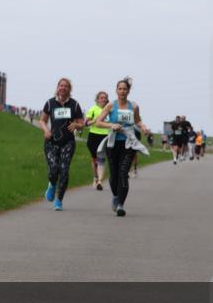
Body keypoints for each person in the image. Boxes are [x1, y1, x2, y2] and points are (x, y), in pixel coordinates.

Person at [94, 77, 151, 217]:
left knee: (123, 173)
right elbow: (98, 122)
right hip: (113, 144)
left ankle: (120, 205)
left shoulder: (134, 106)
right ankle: (115, 196)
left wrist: (143, 128)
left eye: (125, 89)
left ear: (128, 91)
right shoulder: (111, 106)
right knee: (114, 175)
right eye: (120, 89)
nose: (122, 91)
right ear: (116, 90)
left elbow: (138, 121)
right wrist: (111, 125)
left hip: (128, 144)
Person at [37, 78, 85, 211]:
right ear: (57, 87)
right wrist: (46, 130)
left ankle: (59, 200)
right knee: (53, 170)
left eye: (66, 86)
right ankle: (52, 184)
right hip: (51, 142)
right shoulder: (50, 103)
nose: (63, 88)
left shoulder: (74, 105)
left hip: (68, 143)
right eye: (61, 86)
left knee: (64, 171)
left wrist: (76, 125)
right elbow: (42, 120)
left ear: (70, 89)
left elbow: (82, 125)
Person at [84, 91, 110, 190]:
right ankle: (95, 177)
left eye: (105, 98)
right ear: (97, 99)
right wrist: (96, 120)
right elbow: (86, 123)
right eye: (101, 98)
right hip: (93, 136)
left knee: (101, 159)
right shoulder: (93, 109)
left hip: (105, 136)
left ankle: (100, 181)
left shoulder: (109, 109)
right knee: (95, 159)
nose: (103, 99)